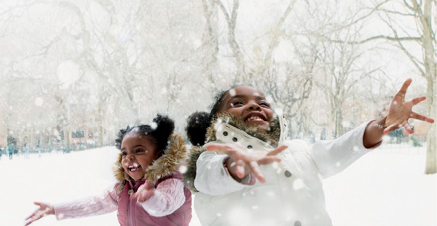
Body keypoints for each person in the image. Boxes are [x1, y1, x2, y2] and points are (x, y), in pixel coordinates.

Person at [183, 78, 434, 226]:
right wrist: (234, 167)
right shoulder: (211, 157)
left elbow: (339, 151)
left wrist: (382, 124)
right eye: (238, 103)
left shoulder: (297, 150)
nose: (253, 105)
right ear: (217, 119)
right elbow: (209, 178)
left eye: (262, 103)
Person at [25, 114, 192, 226]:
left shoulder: (172, 181)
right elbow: (96, 203)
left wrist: (151, 198)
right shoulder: (124, 188)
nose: (128, 158)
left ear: (159, 155)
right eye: (124, 153)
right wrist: (56, 209)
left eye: (138, 150)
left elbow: (166, 204)